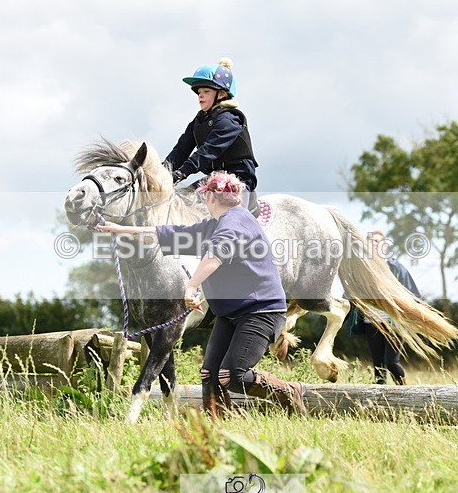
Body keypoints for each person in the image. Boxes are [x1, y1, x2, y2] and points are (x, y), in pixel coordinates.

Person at [96, 171, 305, 418]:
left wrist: (191, 286)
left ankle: (290, 391)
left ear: (212, 199)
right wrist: (121, 229)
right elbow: (169, 233)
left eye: (205, 196)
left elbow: (214, 256)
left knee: (231, 375)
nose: (203, 201)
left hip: (260, 311)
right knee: (209, 374)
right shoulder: (215, 224)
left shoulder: (235, 222)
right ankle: (219, 426)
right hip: (231, 312)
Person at [163, 58, 261, 216]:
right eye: (199, 92)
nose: (200, 96)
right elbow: (181, 149)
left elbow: (207, 151)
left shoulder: (230, 119)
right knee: (181, 200)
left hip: (238, 179)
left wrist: (180, 174)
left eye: (206, 92)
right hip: (214, 178)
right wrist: (163, 172)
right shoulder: (199, 120)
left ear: (221, 94)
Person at [347, 230, 421, 385]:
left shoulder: (395, 268)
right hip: (371, 322)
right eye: (371, 242)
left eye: (377, 241)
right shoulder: (361, 269)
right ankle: (381, 405)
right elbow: (350, 294)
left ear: (385, 246)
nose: (374, 244)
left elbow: (413, 295)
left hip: (393, 323)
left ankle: (404, 392)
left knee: (391, 362)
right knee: (378, 368)